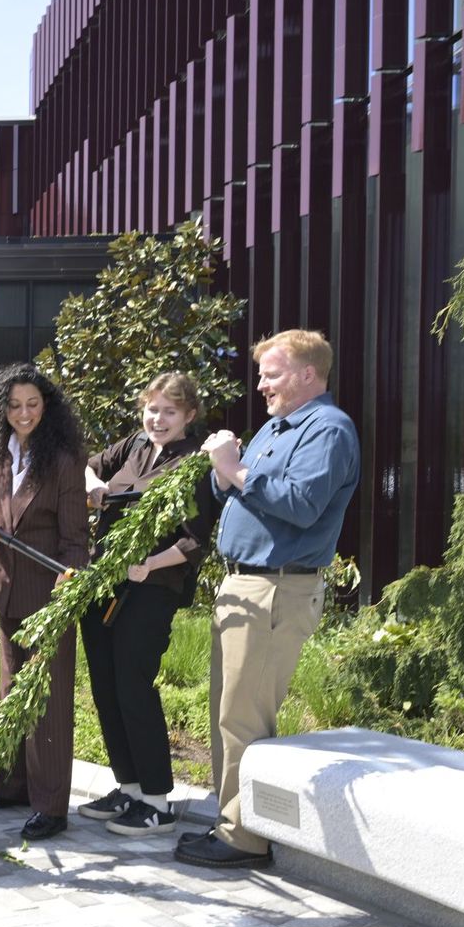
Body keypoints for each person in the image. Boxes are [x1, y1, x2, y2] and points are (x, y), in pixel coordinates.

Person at [178, 330, 358, 869]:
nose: (260, 385)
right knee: (229, 709)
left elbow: (302, 504)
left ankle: (244, 838)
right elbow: (233, 488)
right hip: (244, 584)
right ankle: (230, 820)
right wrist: (221, 468)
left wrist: (234, 469)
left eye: (272, 374)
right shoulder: (275, 429)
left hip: (277, 587)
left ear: (308, 374)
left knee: (244, 716)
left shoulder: (329, 429)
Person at [78, 373, 218, 837]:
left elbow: (195, 540)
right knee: (105, 685)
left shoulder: (194, 464)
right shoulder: (134, 446)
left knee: (133, 684)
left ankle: (157, 799)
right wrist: (95, 485)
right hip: (106, 581)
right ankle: (130, 786)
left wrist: (150, 564)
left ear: (189, 416)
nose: (158, 419)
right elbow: (85, 465)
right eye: (153, 409)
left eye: (170, 412)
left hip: (151, 587)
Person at [0, 362, 89, 841]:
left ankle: (51, 806)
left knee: (48, 702)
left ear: (47, 406)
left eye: (33, 404)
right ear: (1, 408)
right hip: (3, 587)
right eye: (14, 405)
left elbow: (76, 536)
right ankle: (11, 786)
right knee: (10, 691)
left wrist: (68, 586)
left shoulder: (64, 457)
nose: (23, 413)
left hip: (47, 592)